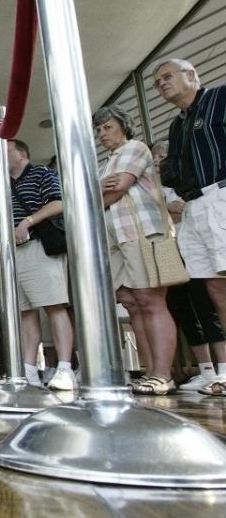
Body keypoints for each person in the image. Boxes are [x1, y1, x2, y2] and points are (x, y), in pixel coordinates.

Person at [96, 106, 180, 394]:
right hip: (117, 238)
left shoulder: (135, 147)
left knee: (150, 299)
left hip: (146, 231)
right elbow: (99, 192)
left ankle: (163, 374)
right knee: (131, 302)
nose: (102, 134)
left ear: (123, 125)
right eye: (99, 130)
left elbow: (118, 187)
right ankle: (149, 372)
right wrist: (98, 188)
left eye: (107, 127)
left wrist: (95, 192)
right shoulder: (107, 162)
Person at [154, 59, 226, 396]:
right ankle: (218, 371)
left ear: (192, 74)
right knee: (210, 287)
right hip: (190, 213)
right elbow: (174, 170)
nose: (162, 85)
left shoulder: (219, 98)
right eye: (158, 82)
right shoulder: (176, 125)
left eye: (167, 77)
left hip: (221, 195)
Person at [7, 139, 75, 391]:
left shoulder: (42, 173)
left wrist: (29, 220)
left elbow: (58, 202)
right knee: (25, 312)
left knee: (54, 306)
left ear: (23, 153)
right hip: (16, 252)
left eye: (7, 150)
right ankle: (28, 369)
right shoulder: (6, 184)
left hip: (39, 246)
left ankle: (65, 367)